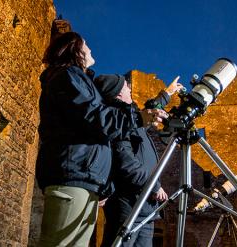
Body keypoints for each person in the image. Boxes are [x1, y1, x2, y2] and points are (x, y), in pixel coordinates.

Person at [35, 32, 166, 247]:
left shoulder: (77, 80)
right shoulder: (67, 77)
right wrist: (138, 117)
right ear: (75, 49)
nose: (90, 49)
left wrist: (103, 187)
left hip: (85, 179)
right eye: (86, 45)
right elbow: (95, 118)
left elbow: (97, 132)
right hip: (73, 175)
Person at [93, 74, 183, 247]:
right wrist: (154, 185)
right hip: (128, 208)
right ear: (118, 94)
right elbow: (127, 164)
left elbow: (149, 110)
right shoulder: (119, 121)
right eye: (126, 86)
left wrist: (167, 93)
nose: (130, 88)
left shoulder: (129, 117)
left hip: (144, 207)